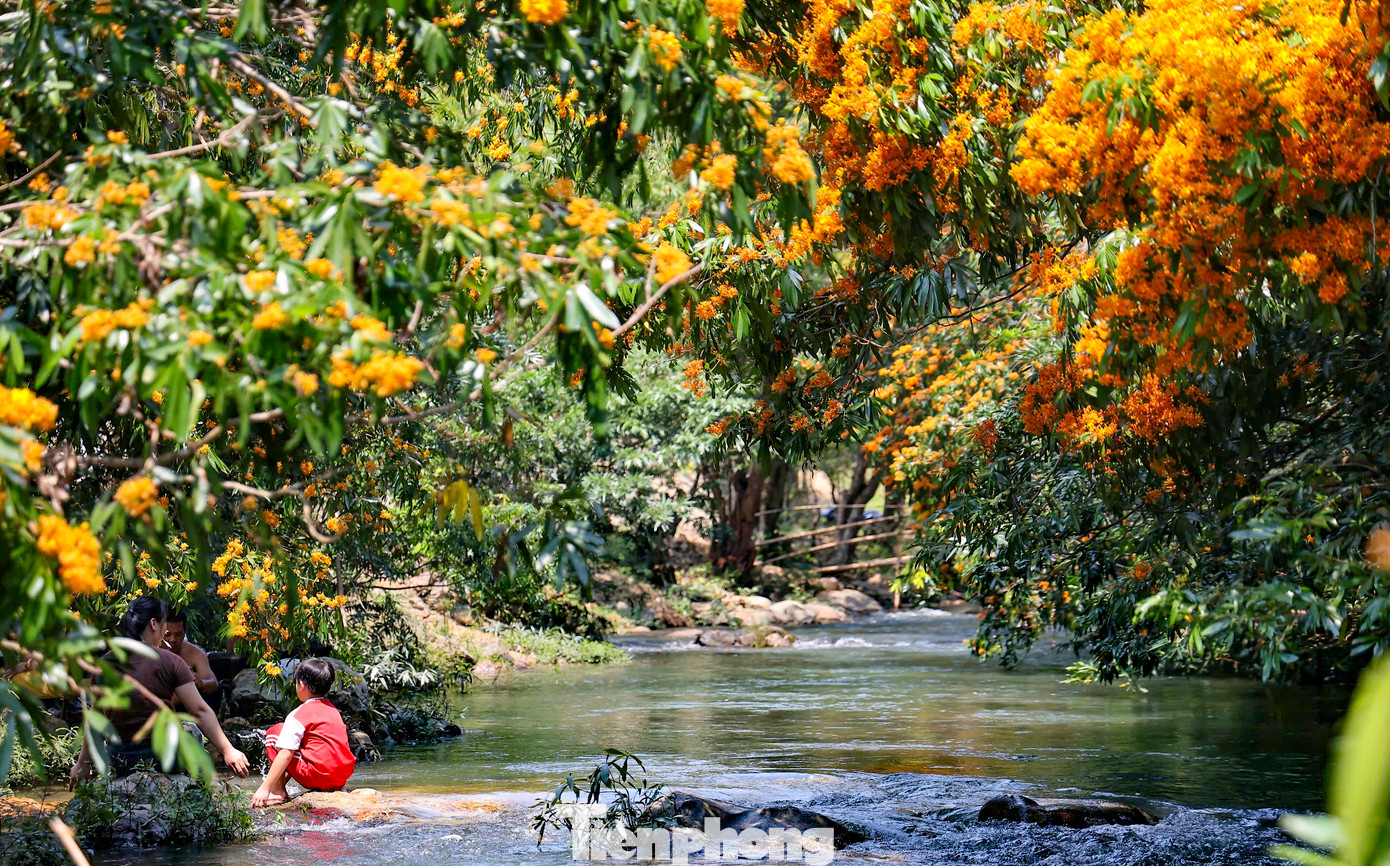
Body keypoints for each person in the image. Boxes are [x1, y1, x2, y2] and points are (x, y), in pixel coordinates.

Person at [70, 597, 250, 785]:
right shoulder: (170, 661)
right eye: (164, 624)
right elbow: (199, 711)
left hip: (119, 756)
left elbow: (96, 721)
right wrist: (228, 750)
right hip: (163, 756)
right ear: (154, 624)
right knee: (192, 731)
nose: (166, 631)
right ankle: (198, 789)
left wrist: (83, 765)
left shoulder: (105, 664)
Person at [251, 658, 356, 807]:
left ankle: (276, 791)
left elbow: (286, 753)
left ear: (301, 685)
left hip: (318, 776)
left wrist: (264, 788)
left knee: (275, 733)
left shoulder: (299, 714)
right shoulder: (333, 710)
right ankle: (278, 784)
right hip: (340, 778)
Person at [163, 610, 221, 712]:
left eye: (178, 634)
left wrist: (200, 683)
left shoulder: (195, 653)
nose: (173, 639)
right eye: (168, 634)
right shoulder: (150, 651)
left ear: (184, 633)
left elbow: (213, 682)